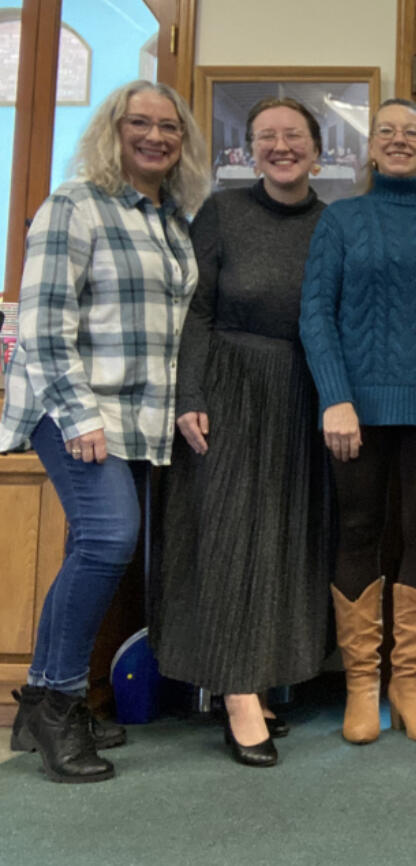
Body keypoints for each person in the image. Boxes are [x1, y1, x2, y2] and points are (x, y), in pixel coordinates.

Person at [1, 80, 209, 783]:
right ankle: (57, 699)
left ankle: (44, 704)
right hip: (75, 411)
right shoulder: (74, 205)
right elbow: (42, 323)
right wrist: (79, 414)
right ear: (113, 129)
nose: (155, 136)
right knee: (109, 536)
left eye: (169, 127)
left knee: (94, 543)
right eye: (139, 123)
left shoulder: (173, 220)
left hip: (140, 417)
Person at [151, 97, 330, 768]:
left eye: (293, 136)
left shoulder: (331, 224)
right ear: (248, 150)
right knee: (227, 534)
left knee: (284, 540)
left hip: (301, 391)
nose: (280, 146)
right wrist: (188, 393)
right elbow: (194, 312)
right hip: (226, 387)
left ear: (316, 147)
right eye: (266, 137)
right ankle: (234, 693)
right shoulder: (221, 214)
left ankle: (261, 675)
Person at [300, 98, 416, 746]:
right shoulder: (341, 220)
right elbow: (316, 313)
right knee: (357, 531)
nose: (400, 141)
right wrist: (335, 397)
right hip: (356, 411)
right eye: (388, 132)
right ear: (371, 148)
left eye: (413, 132)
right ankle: (361, 687)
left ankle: (409, 687)